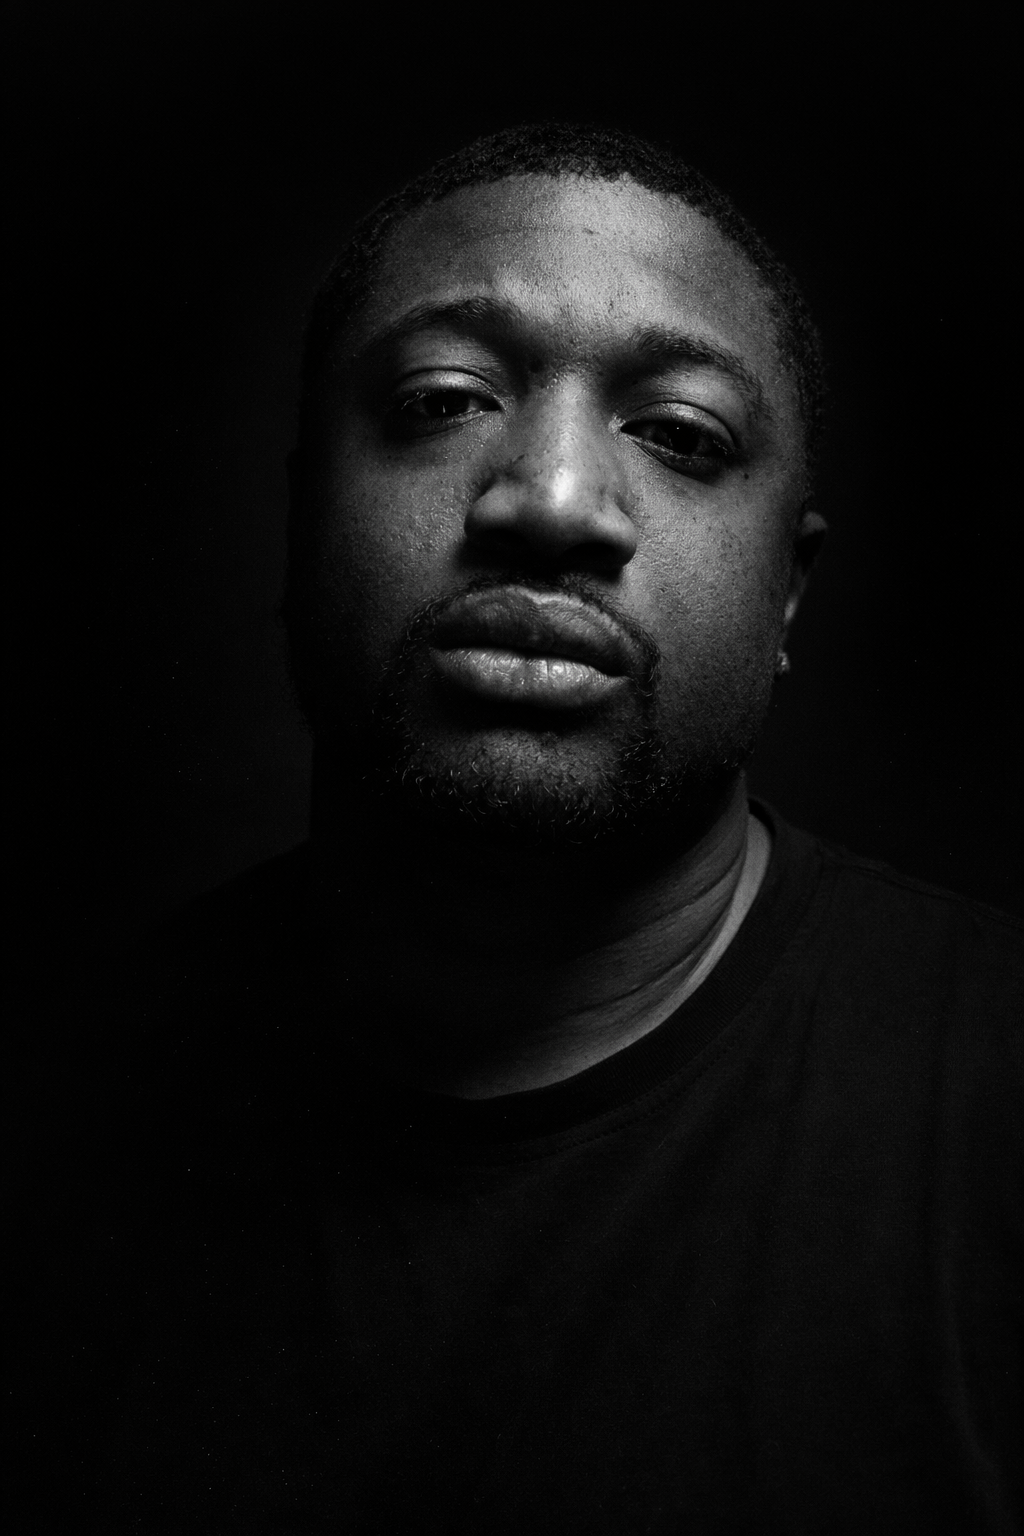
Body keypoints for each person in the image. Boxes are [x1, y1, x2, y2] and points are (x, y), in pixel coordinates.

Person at [33, 123, 1020, 1534]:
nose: (552, 502)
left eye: (680, 435)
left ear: (791, 594)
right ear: (299, 514)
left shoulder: (989, 1116)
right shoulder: (54, 1130)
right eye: (443, 401)